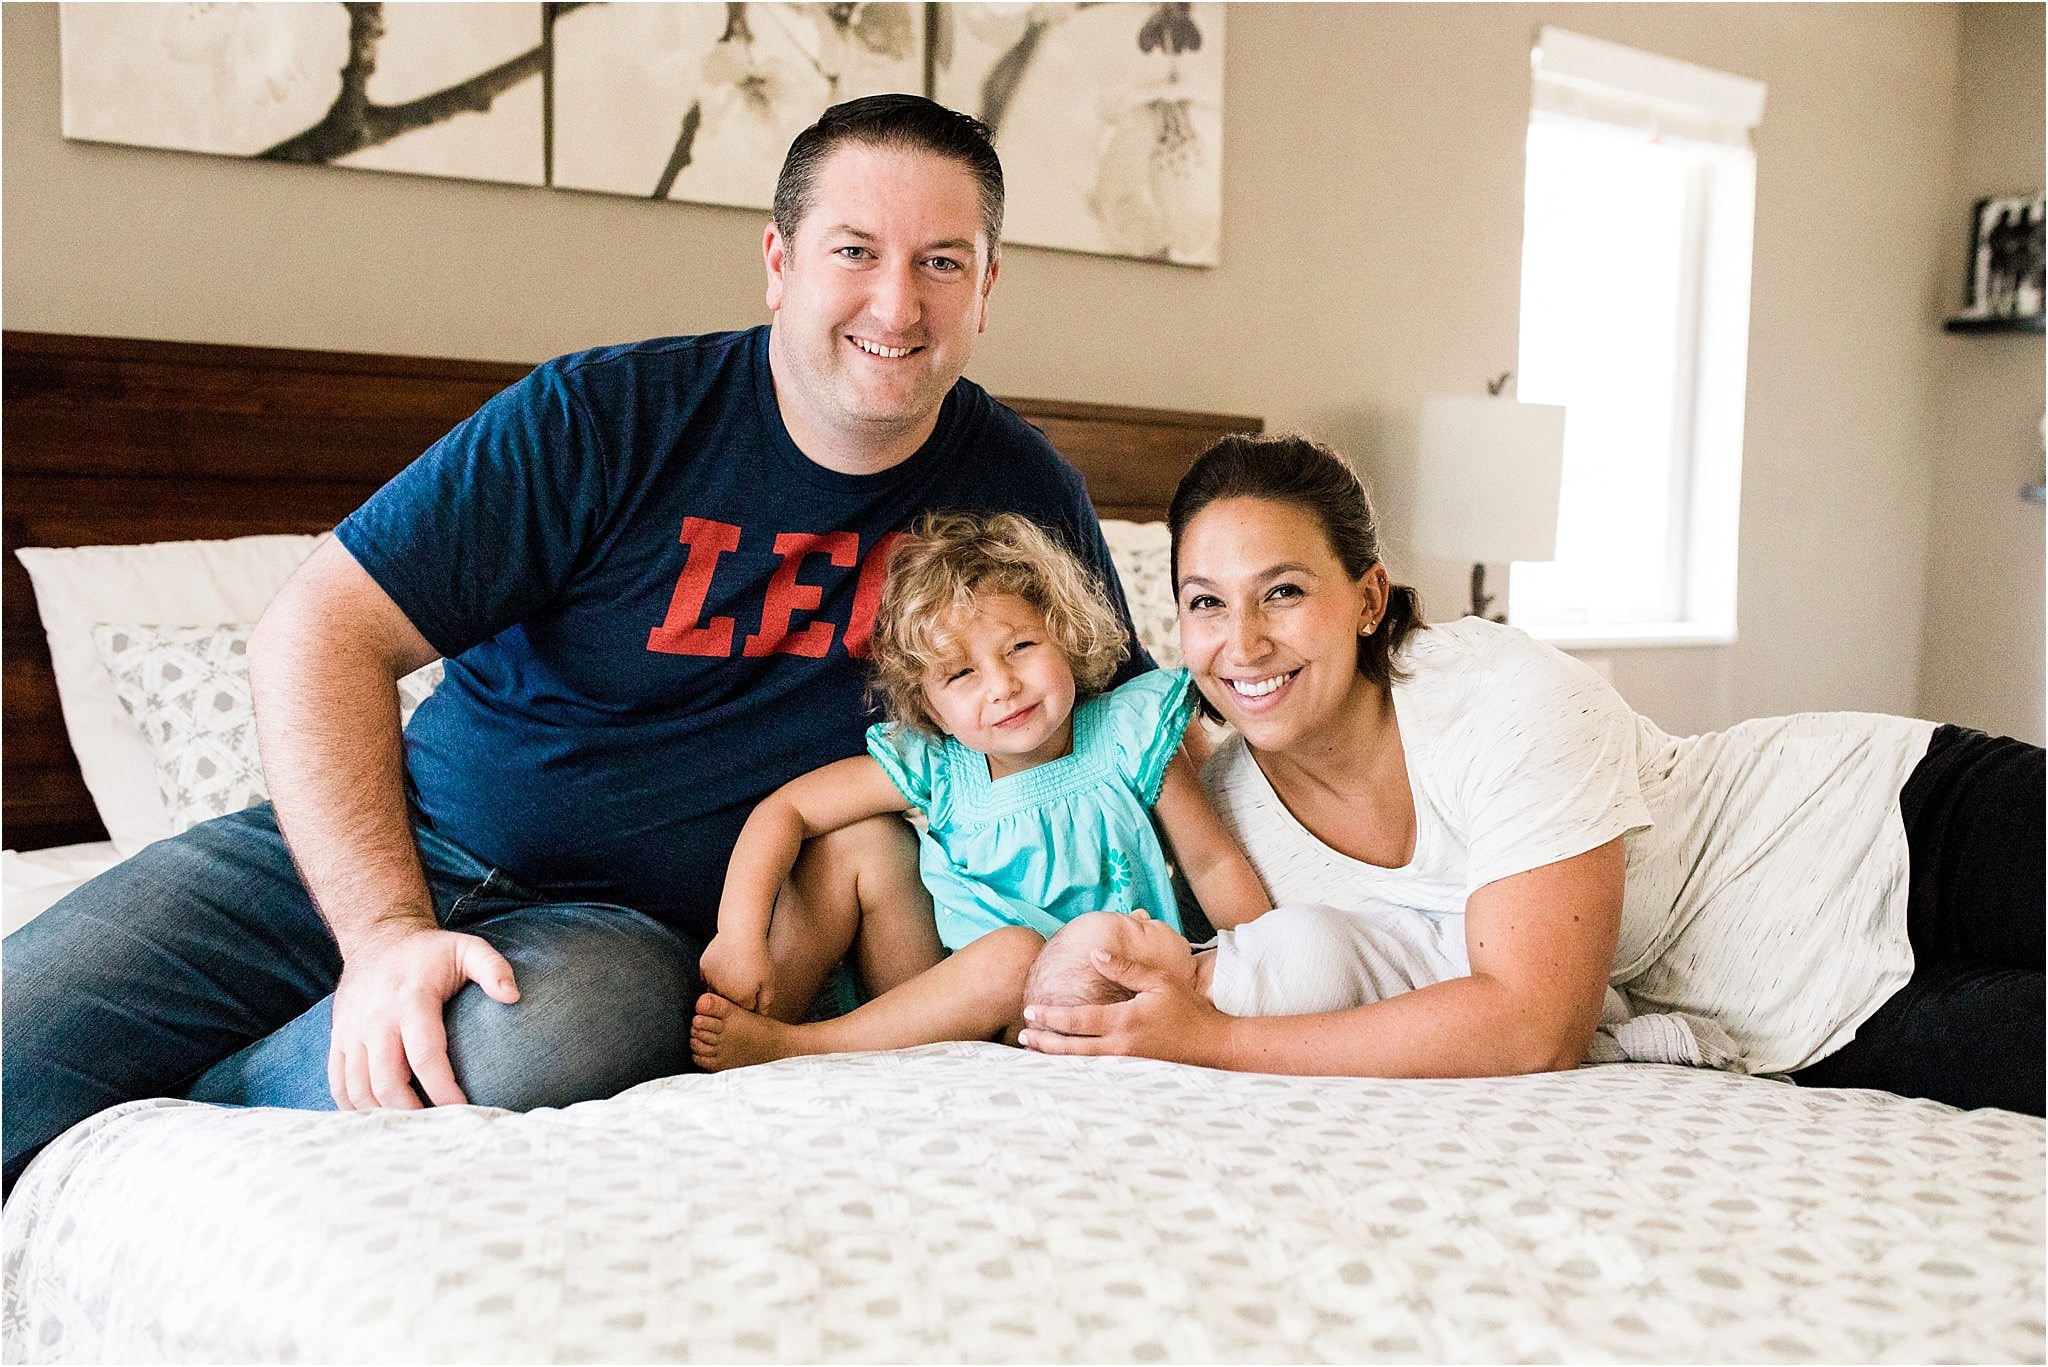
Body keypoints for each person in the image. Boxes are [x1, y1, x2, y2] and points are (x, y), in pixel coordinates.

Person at [2, 94, 1155, 1191]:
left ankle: (181, 1114)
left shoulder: (1016, 489)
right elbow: (316, 628)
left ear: (988, 285)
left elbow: (1135, 735)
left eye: (940, 262)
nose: (895, 306)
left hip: (625, 935)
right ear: (779, 262)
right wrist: (387, 934)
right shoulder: (598, 419)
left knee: (525, 1046)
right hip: (380, 847)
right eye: (854, 250)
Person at [1020, 434, 2045, 1117]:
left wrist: (1208, 1042)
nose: (1239, 642)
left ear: (1367, 596)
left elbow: (1531, 1020)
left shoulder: (1495, 691)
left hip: (1895, 824)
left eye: (1280, 591)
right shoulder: (1231, 811)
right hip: (1816, 1026)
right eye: (1203, 603)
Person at [688, 511, 1267, 1070]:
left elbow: (1212, 862)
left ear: (1065, 636)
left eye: (1020, 647)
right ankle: (761, 1022)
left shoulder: (1128, 737)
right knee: (860, 840)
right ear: (930, 707)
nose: (1003, 686)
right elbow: (786, 809)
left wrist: (1264, 974)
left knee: (1017, 955)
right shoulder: (940, 767)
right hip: (933, 995)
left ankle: (803, 1047)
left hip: (1094, 1000)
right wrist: (739, 935)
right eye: (961, 674)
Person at [1027, 907, 1738, 1068]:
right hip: (1458, 980)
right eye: (1127, 928)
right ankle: (1616, 1035)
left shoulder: (1214, 959)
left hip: (1475, 949)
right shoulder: (1243, 993)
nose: (1146, 910)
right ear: (1134, 987)